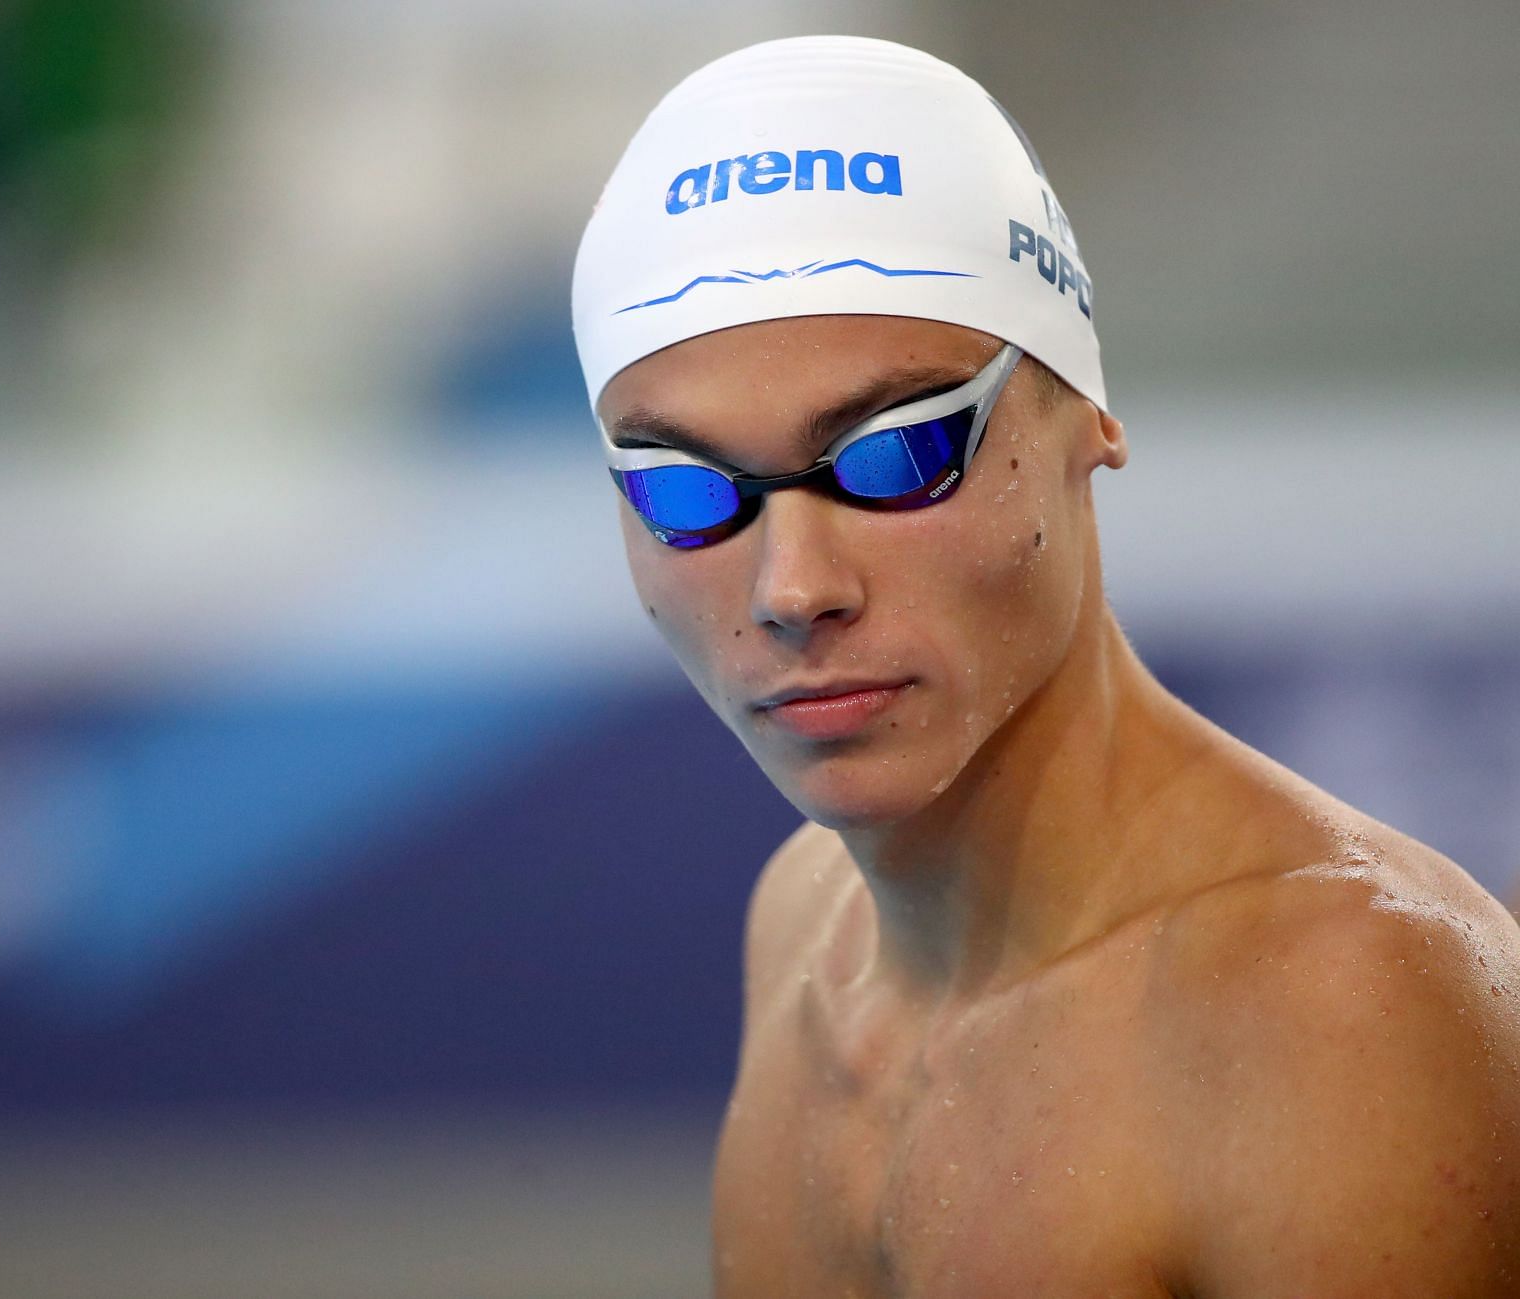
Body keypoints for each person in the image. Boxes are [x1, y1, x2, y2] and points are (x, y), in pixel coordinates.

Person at [571, 35, 1520, 1296]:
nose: (792, 588)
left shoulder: (1336, 1009)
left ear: (1087, 418)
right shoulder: (802, 926)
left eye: (894, 456)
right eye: (684, 492)